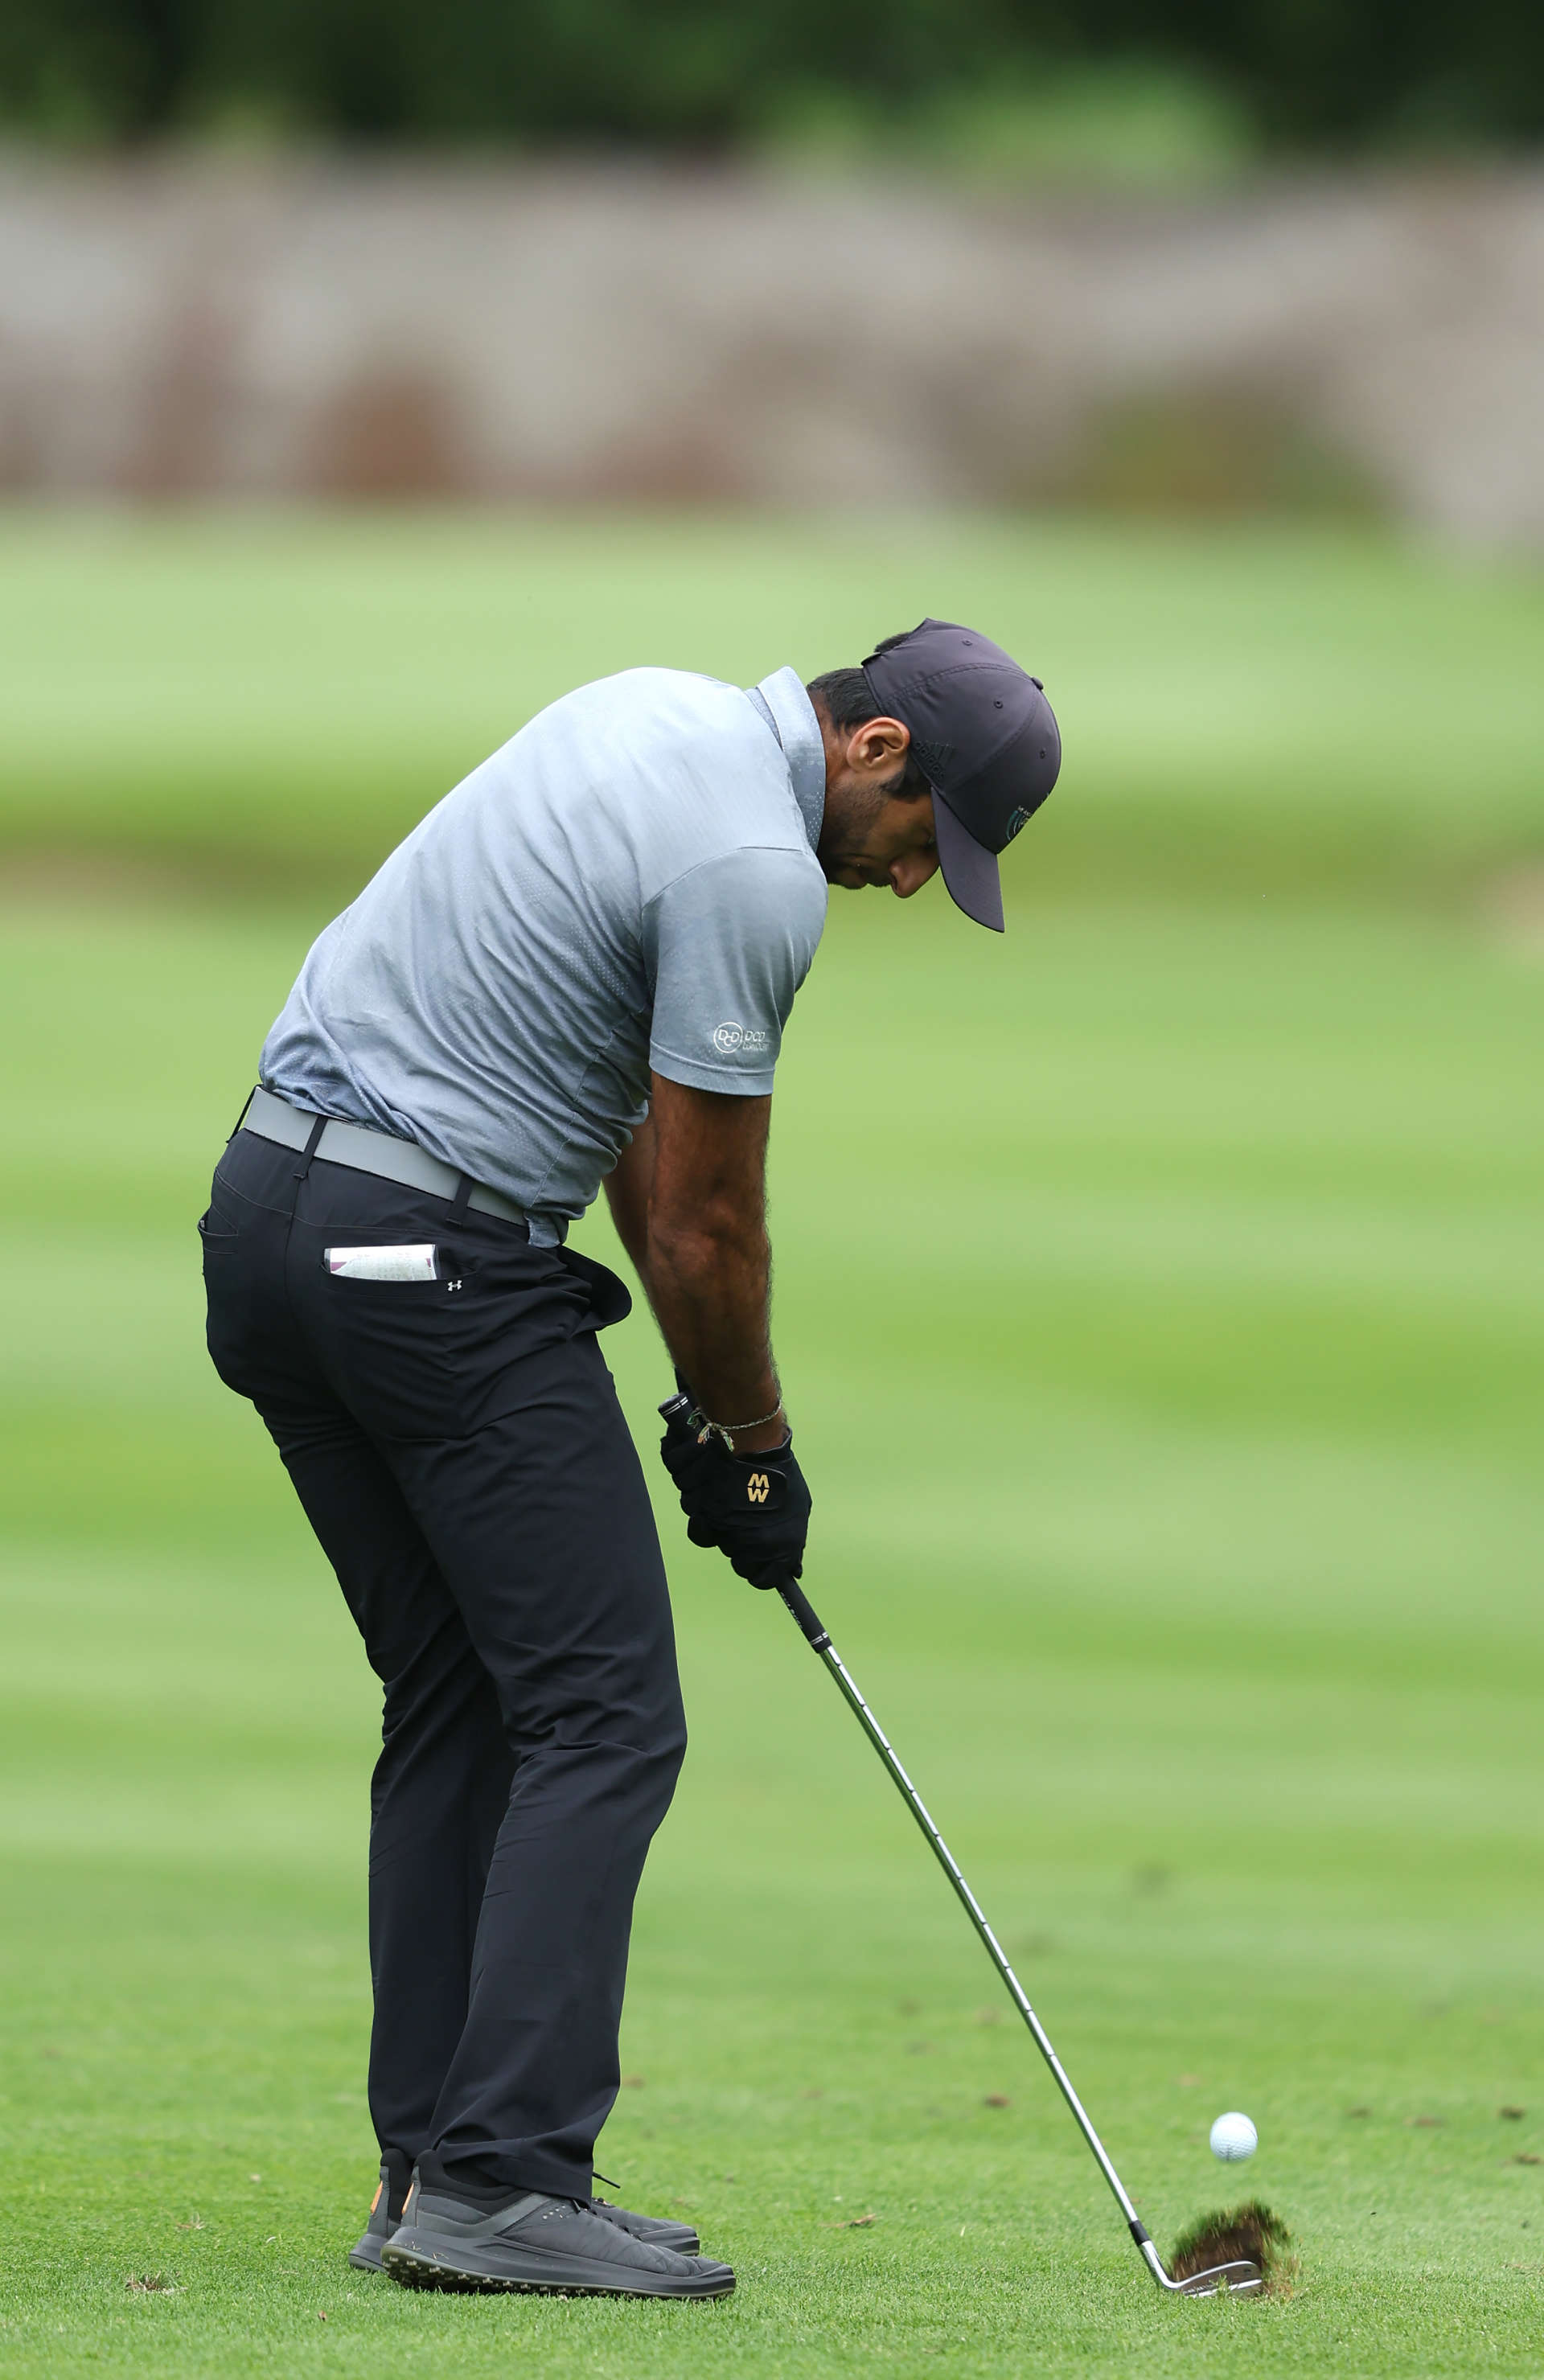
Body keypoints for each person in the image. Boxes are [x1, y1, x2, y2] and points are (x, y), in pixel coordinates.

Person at [199, 619, 1061, 2300]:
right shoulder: (757, 863)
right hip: (428, 1264)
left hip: (270, 1226)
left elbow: (627, 1131)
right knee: (604, 1709)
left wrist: (707, 1415)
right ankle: (506, 2175)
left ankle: (434, 2164)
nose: (905, 886)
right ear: (876, 752)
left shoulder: (641, 713)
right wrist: (754, 1443)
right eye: (923, 844)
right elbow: (705, 1217)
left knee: (462, 1692)